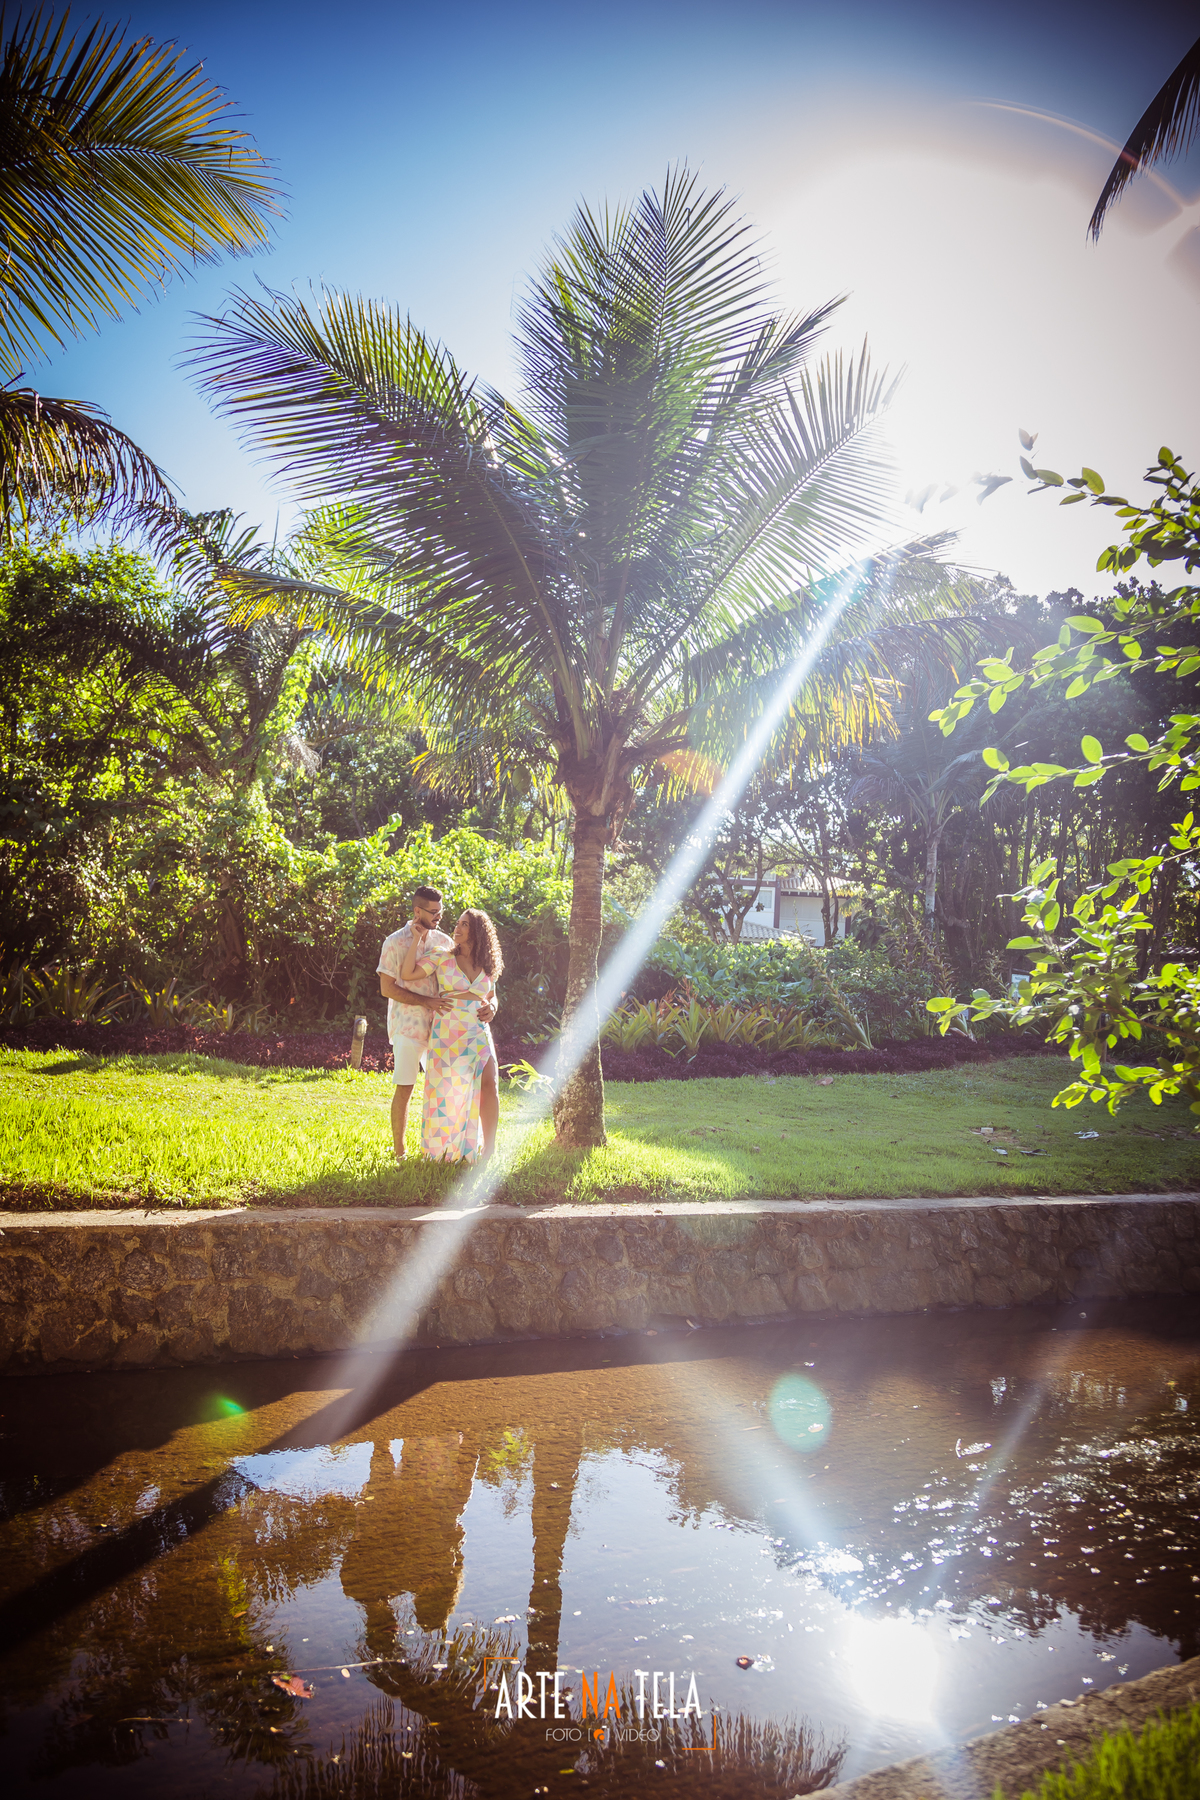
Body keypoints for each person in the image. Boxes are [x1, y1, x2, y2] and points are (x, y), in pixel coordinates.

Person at [377, 887, 495, 1160]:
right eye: (433, 912)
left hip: (445, 1027)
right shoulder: (394, 942)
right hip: (410, 1025)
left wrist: (490, 1005)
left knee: (450, 1088)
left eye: (440, 911)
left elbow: (480, 984)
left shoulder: (444, 941)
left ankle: (454, 1148)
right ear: (417, 911)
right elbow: (387, 988)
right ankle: (400, 1153)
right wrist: (427, 1002)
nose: (439, 917)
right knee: (406, 1086)